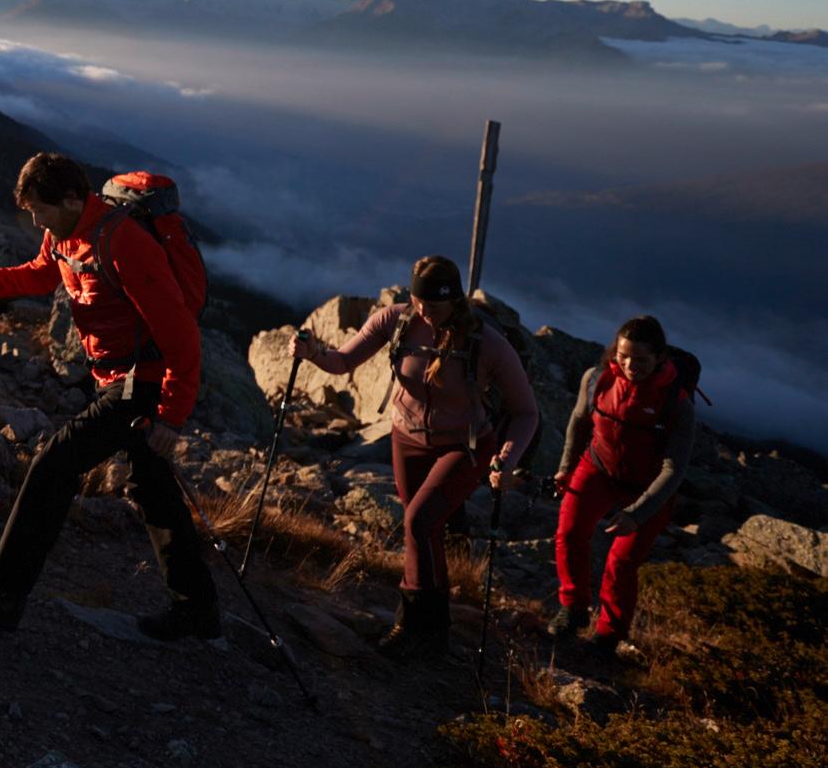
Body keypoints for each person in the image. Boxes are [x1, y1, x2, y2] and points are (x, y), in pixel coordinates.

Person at [0, 152, 218, 641]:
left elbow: (182, 339)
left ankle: (3, 594)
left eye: (40, 211)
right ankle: (196, 611)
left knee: (54, 464)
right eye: (31, 212)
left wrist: (171, 418)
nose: (35, 221)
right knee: (151, 488)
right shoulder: (65, 232)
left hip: (144, 381)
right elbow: (42, 272)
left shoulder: (126, 243)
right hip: (113, 374)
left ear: (73, 198)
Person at [289, 256, 537, 660]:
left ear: (455, 300)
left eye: (435, 306)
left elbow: (526, 411)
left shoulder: (487, 342)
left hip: (467, 446)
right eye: (418, 301)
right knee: (420, 527)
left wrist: (506, 460)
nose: (425, 311)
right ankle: (424, 629)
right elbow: (343, 362)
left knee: (419, 521)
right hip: (407, 439)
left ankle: (420, 627)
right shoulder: (396, 320)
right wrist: (312, 351)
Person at [547, 315, 695, 656]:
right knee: (569, 534)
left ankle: (608, 635)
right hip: (597, 467)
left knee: (622, 562)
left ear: (660, 358)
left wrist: (637, 513)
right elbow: (579, 422)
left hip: (648, 486)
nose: (629, 365)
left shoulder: (677, 403)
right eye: (623, 356)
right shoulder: (597, 379)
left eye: (640, 359)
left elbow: (674, 469)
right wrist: (565, 469)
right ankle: (572, 609)